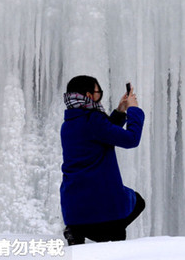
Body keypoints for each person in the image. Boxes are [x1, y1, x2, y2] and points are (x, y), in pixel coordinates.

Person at [60, 75, 146, 245]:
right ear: (89, 95)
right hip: (103, 212)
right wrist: (133, 109)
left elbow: (103, 134)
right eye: (98, 91)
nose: (100, 94)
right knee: (138, 202)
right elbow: (131, 139)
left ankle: (75, 231)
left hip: (74, 211)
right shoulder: (93, 120)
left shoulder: (69, 123)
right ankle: (107, 231)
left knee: (123, 199)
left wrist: (120, 111)